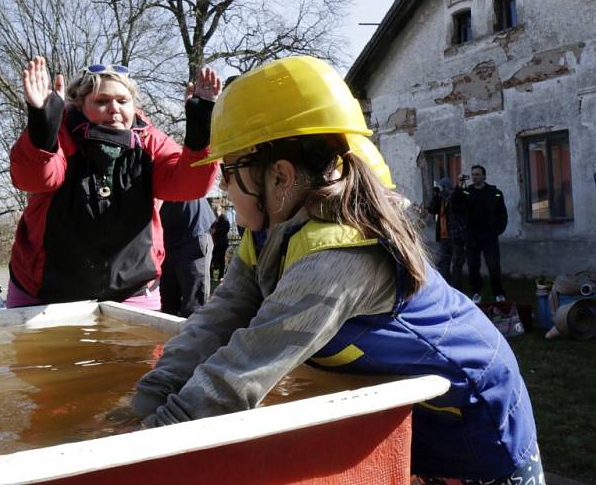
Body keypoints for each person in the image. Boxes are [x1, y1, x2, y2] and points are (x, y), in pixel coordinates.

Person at [130, 56, 542, 484]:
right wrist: (147, 397)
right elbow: (216, 321)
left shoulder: (338, 255)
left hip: (477, 421)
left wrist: (138, 448)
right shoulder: (270, 231)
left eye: (229, 171)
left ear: (281, 176)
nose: (222, 186)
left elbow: (239, 373)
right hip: (419, 410)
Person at [7, 57, 221, 309]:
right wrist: (42, 127)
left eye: (122, 101)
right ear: (79, 104)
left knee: (140, 351)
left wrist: (200, 130)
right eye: (101, 101)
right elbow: (35, 178)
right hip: (42, 289)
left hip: (131, 288)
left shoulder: (150, 141)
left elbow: (189, 185)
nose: (114, 109)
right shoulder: (60, 134)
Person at [452, 165, 508, 303]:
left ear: (484, 176)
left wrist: (498, 230)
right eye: (473, 174)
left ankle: (498, 293)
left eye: (477, 174)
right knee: (473, 265)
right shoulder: (467, 192)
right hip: (472, 235)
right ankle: (476, 292)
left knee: (493, 265)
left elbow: (502, 213)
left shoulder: (494, 192)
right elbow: (454, 203)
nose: (474, 177)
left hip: (489, 235)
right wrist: (459, 185)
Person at [158, 199, 215, 317]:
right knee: (168, 307)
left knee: (193, 307)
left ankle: (194, 334)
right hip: (167, 237)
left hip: (193, 233)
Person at [426, 177, 466, 291]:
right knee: (444, 262)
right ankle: (445, 288)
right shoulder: (440, 198)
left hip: (455, 236)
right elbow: (431, 209)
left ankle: (456, 288)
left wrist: (442, 193)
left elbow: (452, 201)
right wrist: (435, 196)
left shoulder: (456, 196)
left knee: (457, 263)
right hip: (443, 237)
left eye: (441, 187)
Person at [209, 206, 230, 282]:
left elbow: (226, 229)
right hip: (214, 243)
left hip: (222, 244)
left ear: (220, 211)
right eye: (215, 212)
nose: (216, 214)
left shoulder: (224, 219)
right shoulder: (214, 219)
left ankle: (220, 276)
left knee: (221, 260)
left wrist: (216, 230)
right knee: (211, 260)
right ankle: (210, 276)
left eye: (217, 212)